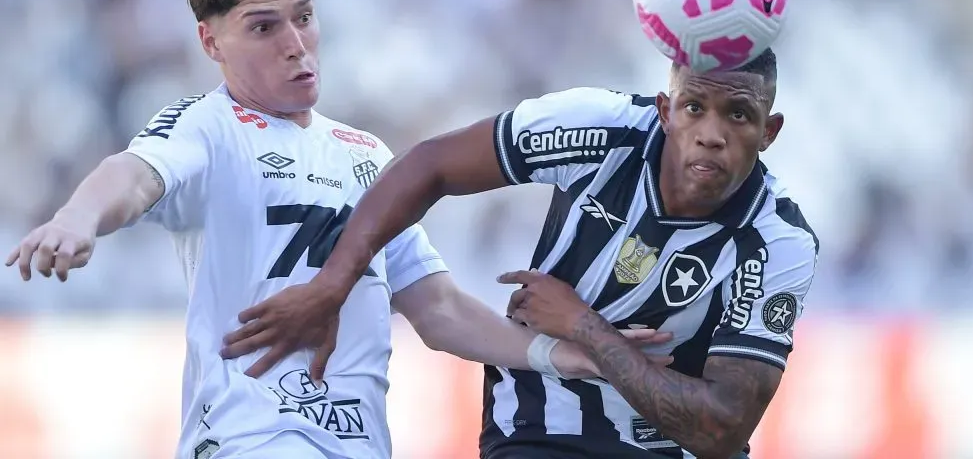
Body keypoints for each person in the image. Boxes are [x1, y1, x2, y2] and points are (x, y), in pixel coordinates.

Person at [3, 0, 672, 459]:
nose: (298, 44)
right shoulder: (208, 126)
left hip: (355, 441)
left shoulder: (365, 155)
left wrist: (568, 357)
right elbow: (136, 172)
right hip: (253, 437)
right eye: (265, 27)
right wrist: (76, 217)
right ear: (212, 42)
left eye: (304, 16)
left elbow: (435, 309)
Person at [224, 48, 820, 459]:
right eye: (694, 108)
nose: (711, 133)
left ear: (770, 131)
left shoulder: (778, 240)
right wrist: (333, 285)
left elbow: (720, 427)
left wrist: (584, 326)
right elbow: (430, 166)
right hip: (541, 431)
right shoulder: (599, 127)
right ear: (666, 110)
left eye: (739, 115)